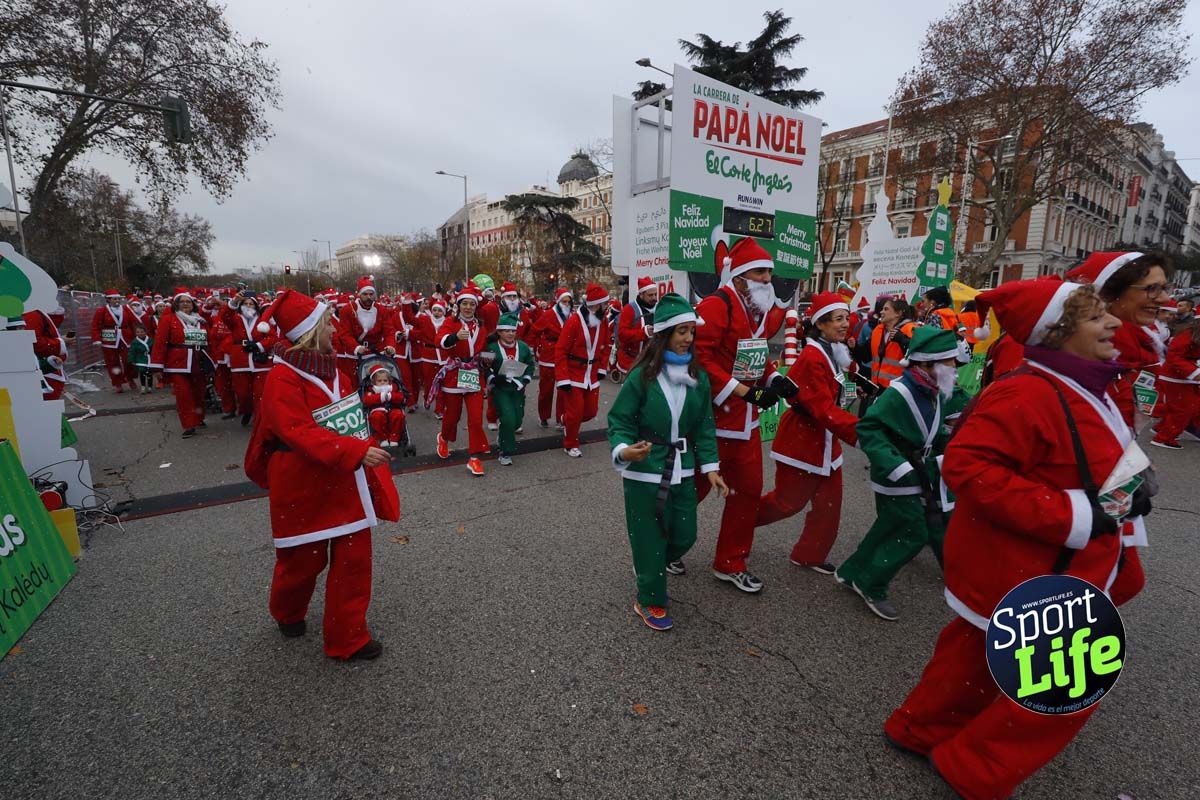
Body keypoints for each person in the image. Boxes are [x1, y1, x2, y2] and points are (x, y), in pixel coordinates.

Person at [884, 278, 1149, 799]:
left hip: (1051, 563)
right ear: (1058, 332)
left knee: (975, 653)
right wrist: (1077, 513)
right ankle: (975, 766)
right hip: (1043, 567)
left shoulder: (1087, 385)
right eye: (1097, 317)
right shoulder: (1027, 391)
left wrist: (1130, 494)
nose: (1114, 323)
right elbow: (968, 466)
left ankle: (921, 729)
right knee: (1068, 684)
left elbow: (1093, 461)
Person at [244, 289, 398, 662]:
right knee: (302, 562)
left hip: (345, 479)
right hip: (303, 483)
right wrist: (355, 451)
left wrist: (366, 443)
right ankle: (287, 610)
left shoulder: (335, 372)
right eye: (327, 322)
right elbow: (296, 431)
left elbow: (349, 420)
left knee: (354, 562)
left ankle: (348, 638)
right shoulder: (282, 379)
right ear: (310, 332)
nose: (334, 328)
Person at [606, 293, 728, 631]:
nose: (689, 338)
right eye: (682, 331)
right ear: (664, 335)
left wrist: (712, 468)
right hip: (645, 469)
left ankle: (650, 563)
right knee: (649, 537)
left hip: (683, 466)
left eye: (692, 331)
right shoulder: (642, 376)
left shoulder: (698, 377)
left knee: (684, 534)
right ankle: (650, 598)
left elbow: (704, 424)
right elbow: (620, 421)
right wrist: (625, 450)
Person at [835, 326, 962, 620]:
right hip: (897, 474)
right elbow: (868, 428)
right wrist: (896, 465)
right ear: (928, 363)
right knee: (914, 532)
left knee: (889, 525)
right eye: (950, 361)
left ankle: (851, 571)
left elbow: (935, 432)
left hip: (920, 472)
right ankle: (871, 584)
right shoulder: (900, 393)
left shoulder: (935, 391)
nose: (955, 367)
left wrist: (945, 458)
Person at [693, 237, 795, 593]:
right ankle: (662, 548)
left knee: (749, 491)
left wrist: (775, 378)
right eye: (759, 271)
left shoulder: (757, 311)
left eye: (769, 271)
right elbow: (700, 359)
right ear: (738, 276)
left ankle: (730, 561)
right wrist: (742, 391)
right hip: (713, 420)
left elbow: (754, 356)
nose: (768, 278)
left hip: (746, 421)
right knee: (693, 491)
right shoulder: (716, 305)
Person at [755, 292, 860, 575]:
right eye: (838, 319)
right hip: (802, 441)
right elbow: (822, 408)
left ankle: (809, 554)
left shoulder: (832, 349)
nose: (844, 324)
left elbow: (835, 393)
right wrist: (860, 431)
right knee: (787, 503)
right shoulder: (813, 357)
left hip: (825, 441)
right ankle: (740, 522)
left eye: (846, 318)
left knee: (829, 505)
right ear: (821, 324)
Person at [1067, 250, 1172, 428]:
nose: (1165, 299)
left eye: (1164, 288)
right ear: (1109, 293)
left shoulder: (1132, 342)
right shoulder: (1061, 344)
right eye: (1151, 289)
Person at [433, 282, 491, 476]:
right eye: (464, 303)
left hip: (473, 373)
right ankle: (444, 437)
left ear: (476, 306)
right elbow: (439, 341)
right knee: (452, 416)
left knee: (475, 419)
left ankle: (474, 458)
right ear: (458, 305)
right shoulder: (451, 322)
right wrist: (455, 337)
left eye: (471, 304)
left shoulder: (480, 325)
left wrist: (487, 359)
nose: (468, 307)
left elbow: (481, 346)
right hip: (454, 373)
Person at [555, 283, 614, 458]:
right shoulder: (574, 321)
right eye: (605, 304)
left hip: (592, 373)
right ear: (596, 304)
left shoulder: (603, 320)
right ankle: (570, 443)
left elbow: (606, 345)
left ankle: (567, 420)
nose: (607, 307)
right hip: (574, 373)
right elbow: (561, 350)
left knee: (590, 412)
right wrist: (563, 377)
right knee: (576, 411)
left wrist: (603, 367)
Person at [148, 289, 214, 438]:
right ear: (176, 304)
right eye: (182, 301)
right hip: (178, 363)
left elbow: (210, 342)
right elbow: (160, 343)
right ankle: (189, 424)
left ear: (193, 304)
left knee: (199, 393)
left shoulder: (200, 320)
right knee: (183, 394)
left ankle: (198, 417)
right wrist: (157, 365)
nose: (185, 304)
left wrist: (213, 361)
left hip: (199, 361)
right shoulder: (169, 319)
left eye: (188, 301)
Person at [485, 311, 535, 466]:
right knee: (507, 418)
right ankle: (505, 451)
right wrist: (493, 378)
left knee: (517, 420)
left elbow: (530, 365)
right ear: (499, 331)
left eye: (513, 330)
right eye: (506, 330)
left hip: (518, 390)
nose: (510, 333)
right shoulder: (491, 347)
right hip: (500, 390)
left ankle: (504, 433)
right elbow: (484, 367)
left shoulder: (523, 347)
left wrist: (526, 377)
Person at [221, 291, 276, 425]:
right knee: (243, 393)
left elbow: (273, 337)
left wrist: (259, 345)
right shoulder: (235, 319)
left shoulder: (262, 320)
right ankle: (247, 410)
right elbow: (225, 315)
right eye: (245, 303)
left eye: (251, 304)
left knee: (260, 393)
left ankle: (260, 421)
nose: (248, 306)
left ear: (256, 306)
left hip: (260, 360)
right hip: (241, 360)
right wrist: (233, 302)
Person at [336, 276, 397, 386]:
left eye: (371, 294)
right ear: (359, 295)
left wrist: (390, 346)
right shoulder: (348, 310)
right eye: (365, 294)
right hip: (355, 355)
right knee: (355, 385)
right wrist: (356, 347)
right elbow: (344, 333)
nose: (368, 297)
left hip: (376, 353)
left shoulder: (381, 310)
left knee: (378, 384)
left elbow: (389, 331)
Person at [1151, 312, 1200, 449]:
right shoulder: (1187, 336)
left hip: (1185, 377)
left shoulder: (1192, 335)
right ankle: (1163, 438)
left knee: (1192, 406)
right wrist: (1194, 372)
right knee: (1184, 409)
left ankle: (1162, 428)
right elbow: (1175, 357)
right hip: (1176, 377)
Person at [531, 288, 573, 429]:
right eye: (564, 301)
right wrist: (538, 347)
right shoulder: (548, 315)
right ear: (557, 300)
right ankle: (543, 416)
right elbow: (535, 331)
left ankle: (561, 418)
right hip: (548, 355)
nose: (566, 304)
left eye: (568, 302)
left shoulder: (571, 316)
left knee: (563, 390)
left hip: (564, 356)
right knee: (546, 390)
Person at [90, 288, 138, 393]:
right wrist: (97, 339)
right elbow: (95, 326)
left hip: (126, 337)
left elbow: (133, 323)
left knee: (128, 360)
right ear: (108, 300)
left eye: (118, 298)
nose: (117, 301)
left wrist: (136, 336)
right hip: (109, 338)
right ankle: (117, 382)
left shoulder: (126, 309)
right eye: (114, 299)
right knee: (112, 362)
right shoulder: (102, 311)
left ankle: (130, 378)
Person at [22, 306, 72, 400]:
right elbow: (35, 342)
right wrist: (60, 342)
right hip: (45, 373)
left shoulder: (35, 311)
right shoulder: (31, 313)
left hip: (48, 370)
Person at [868, 297, 916, 389]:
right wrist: (854, 347)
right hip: (878, 386)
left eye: (886, 309)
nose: (881, 312)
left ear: (898, 313)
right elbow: (866, 355)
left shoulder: (911, 329)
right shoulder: (878, 330)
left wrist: (902, 340)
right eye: (882, 309)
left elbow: (916, 356)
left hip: (899, 388)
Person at [616, 277, 659, 375]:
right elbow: (622, 335)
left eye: (656, 294)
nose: (654, 298)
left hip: (651, 362)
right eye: (650, 295)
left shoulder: (658, 308)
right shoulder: (629, 309)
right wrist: (643, 332)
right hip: (631, 363)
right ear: (641, 294)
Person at [362, 364, 408, 448]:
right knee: (377, 417)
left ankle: (394, 438)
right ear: (374, 382)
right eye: (379, 381)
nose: (382, 382)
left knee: (398, 415)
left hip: (393, 408)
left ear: (389, 381)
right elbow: (367, 400)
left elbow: (401, 397)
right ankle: (383, 439)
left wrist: (391, 396)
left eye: (385, 380)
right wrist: (381, 397)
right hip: (377, 410)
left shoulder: (393, 388)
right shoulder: (371, 390)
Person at [129, 324, 154, 393]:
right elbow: (132, 351)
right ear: (136, 333)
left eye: (142, 332)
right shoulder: (135, 342)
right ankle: (143, 386)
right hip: (140, 358)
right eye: (138, 332)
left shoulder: (150, 340)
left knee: (149, 373)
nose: (140, 333)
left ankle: (149, 387)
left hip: (149, 358)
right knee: (142, 372)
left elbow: (153, 349)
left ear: (145, 332)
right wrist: (132, 360)